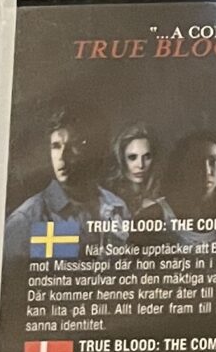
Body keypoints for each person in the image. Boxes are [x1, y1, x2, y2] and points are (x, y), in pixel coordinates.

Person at [7, 104, 128, 249]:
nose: (62, 156)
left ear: (92, 149)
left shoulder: (117, 207)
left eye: (74, 145)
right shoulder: (27, 218)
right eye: (56, 146)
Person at [162, 130, 216, 232]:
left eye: (213, 161)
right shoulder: (159, 213)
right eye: (196, 162)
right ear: (184, 166)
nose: (206, 171)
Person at [111, 123, 167, 225]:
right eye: (132, 157)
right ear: (121, 159)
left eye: (147, 157)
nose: (141, 165)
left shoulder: (160, 202)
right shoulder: (107, 200)